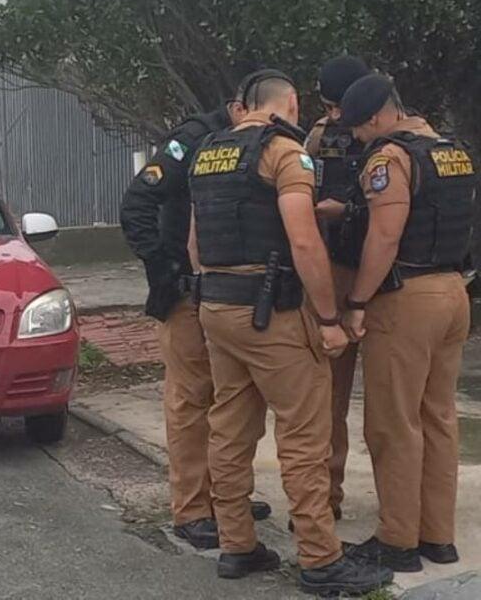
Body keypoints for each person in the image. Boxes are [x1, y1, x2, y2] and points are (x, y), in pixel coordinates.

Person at [188, 70, 392, 595]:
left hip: (216, 306)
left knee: (229, 430)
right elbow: (304, 244)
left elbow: (195, 245)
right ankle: (321, 558)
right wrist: (328, 319)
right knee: (305, 436)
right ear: (291, 103)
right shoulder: (283, 151)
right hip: (271, 312)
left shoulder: (210, 151)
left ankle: (237, 545)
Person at [337, 73, 475, 572]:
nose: (353, 137)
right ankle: (437, 537)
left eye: (356, 127)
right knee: (438, 417)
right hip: (454, 293)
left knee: (394, 422)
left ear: (376, 117)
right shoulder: (449, 150)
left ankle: (396, 541)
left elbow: (386, 238)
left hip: (406, 298)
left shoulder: (389, 158)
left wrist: (356, 300)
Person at [120, 100, 271, 550]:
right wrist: (164, 267)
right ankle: (191, 509)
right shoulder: (193, 138)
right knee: (191, 399)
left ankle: (226, 496)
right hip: (187, 293)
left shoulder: (259, 143)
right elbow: (137, 204)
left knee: (233, 400)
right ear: (239, 105)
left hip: (229, 294)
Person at [303, 56, 371, 521]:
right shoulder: (316, 136)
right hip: (332, 270)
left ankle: (408, 509)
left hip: (384, 281)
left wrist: (345, 211)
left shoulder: (386, 136)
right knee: (326, 396)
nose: (330, 115)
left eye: (334, 105)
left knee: (395, 409)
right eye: (324, 105)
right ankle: (326, 497)